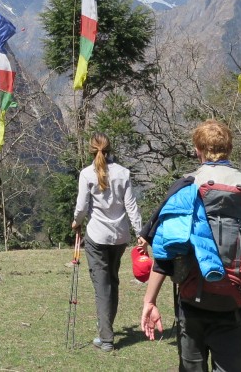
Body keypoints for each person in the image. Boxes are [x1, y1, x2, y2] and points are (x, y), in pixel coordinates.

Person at [140, 119, 241, 371]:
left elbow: (165, 255)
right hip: (234, 305)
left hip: (191, 304)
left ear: (198, 150)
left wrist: (149, 302)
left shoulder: (187, 187)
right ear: (228, 149)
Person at [72, 133, 144, 352]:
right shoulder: (123, 173)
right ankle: (106, 328)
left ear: (91, 150)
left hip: (97, 236)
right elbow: (131, 205)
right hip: (120, 236)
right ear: (110, 149)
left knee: (101, 285)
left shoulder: (87, 174)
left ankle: (106, 338)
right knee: (113, 280)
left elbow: (82, 207)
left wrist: (76, 222)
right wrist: (140, 232)